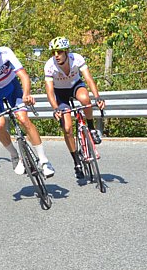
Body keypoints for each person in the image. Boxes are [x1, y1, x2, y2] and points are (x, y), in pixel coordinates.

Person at [0, 34, 54, 177]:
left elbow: (24, 76)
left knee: (23, 119)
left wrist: (26, 94)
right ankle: (15, 155)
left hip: (12, 88)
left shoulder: (5, 53)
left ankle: (44, 161)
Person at [43, 36, 106, 178]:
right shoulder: (49, 65)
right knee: (67, 128)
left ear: (66, 51)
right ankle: (77, 161)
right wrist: (55, 108)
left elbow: (89, 79)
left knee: (85, 99)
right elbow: (49, 90)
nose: (56, 55)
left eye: (59, 52)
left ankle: (91, 128)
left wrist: (98, 97)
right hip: (60, 94)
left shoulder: (76, 59)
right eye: (53, 52)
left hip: (75, 86)